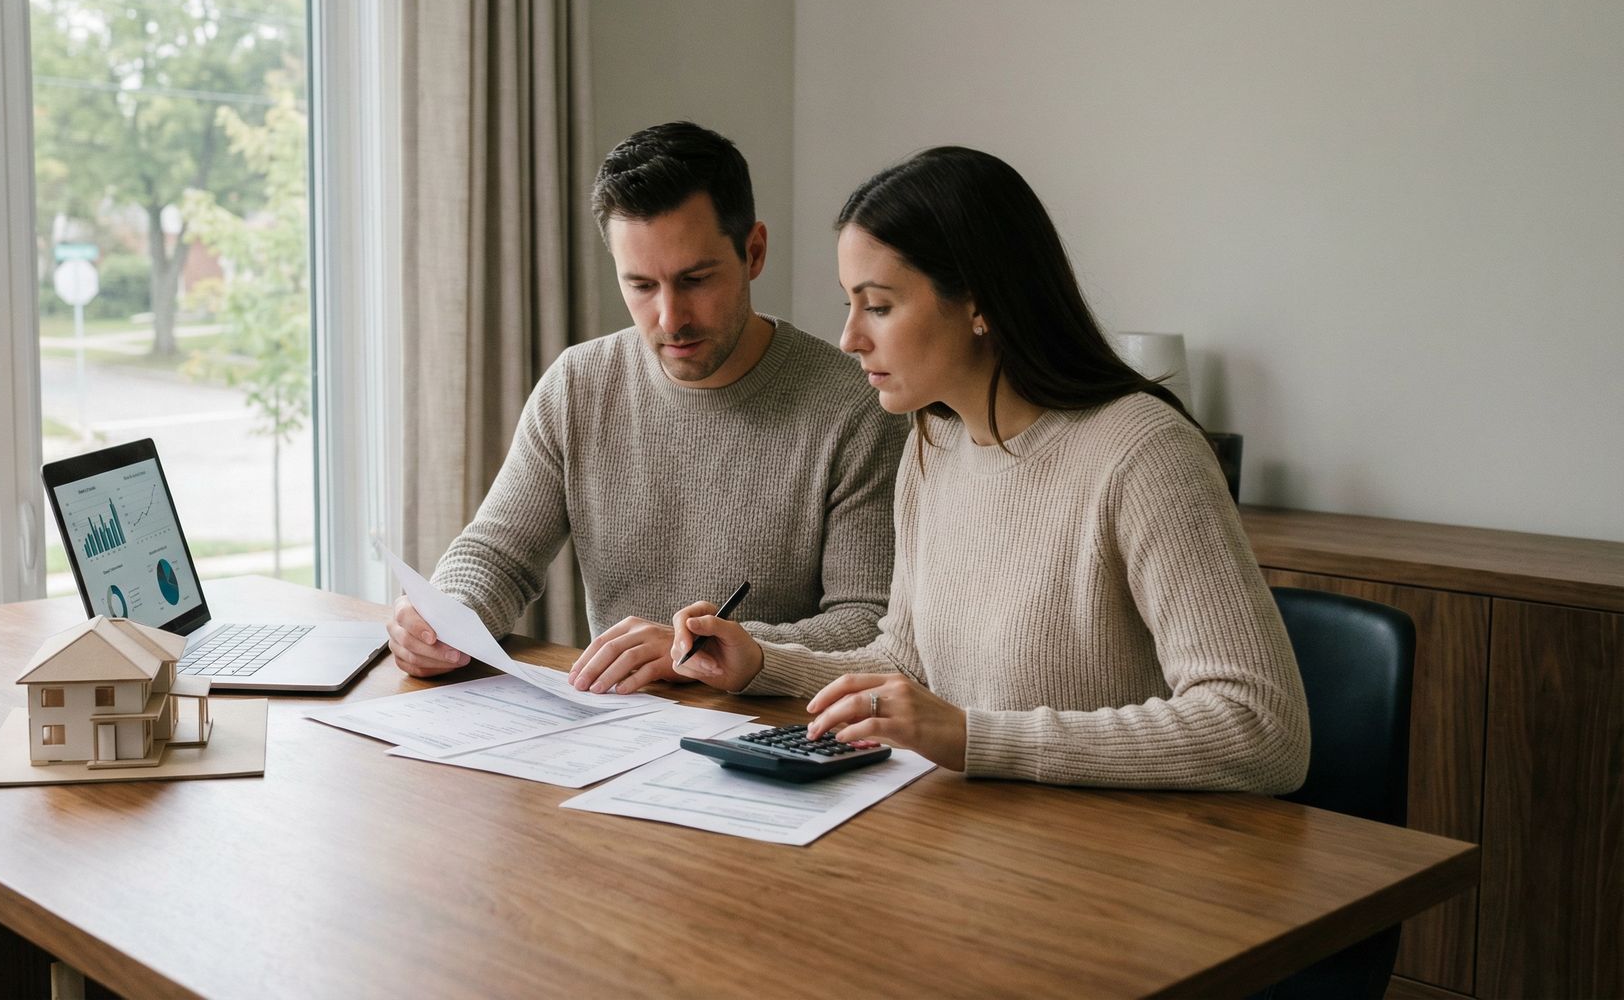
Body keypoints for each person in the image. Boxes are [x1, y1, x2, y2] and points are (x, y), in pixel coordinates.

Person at [668, 147, 1310, 791]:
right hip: (978, 840)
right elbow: (910, 664)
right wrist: (759, 661)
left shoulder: (1142, 454)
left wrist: (976, 737)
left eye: (880, 306)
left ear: (979, 304)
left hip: (1113, 861)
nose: (851, 338)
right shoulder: (933, 446)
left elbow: (1261, 727)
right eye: (849, 306)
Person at [385, 121, 908, 693]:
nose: (670, 318)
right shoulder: (579, 384)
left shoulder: (857, 406)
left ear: (753, 252)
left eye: (696, 279)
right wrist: (447, 618)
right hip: (615, 728)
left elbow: (867, 625)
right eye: (640, 285)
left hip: (771, 735)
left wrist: (704, 648)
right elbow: (499, 552)